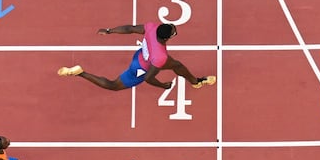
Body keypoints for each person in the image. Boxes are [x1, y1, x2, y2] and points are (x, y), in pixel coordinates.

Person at [57, 22, 216, 91]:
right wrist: (163, 86)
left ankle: (195, 82)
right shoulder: (161, 56)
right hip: (140, 68)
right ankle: (81, 73)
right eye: (174, 32)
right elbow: (148, 78)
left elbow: (130, 28)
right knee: (113, 85)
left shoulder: (153, 28)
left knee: (177, 65)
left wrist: (109, 30)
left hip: (141, 55)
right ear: (167, 39)